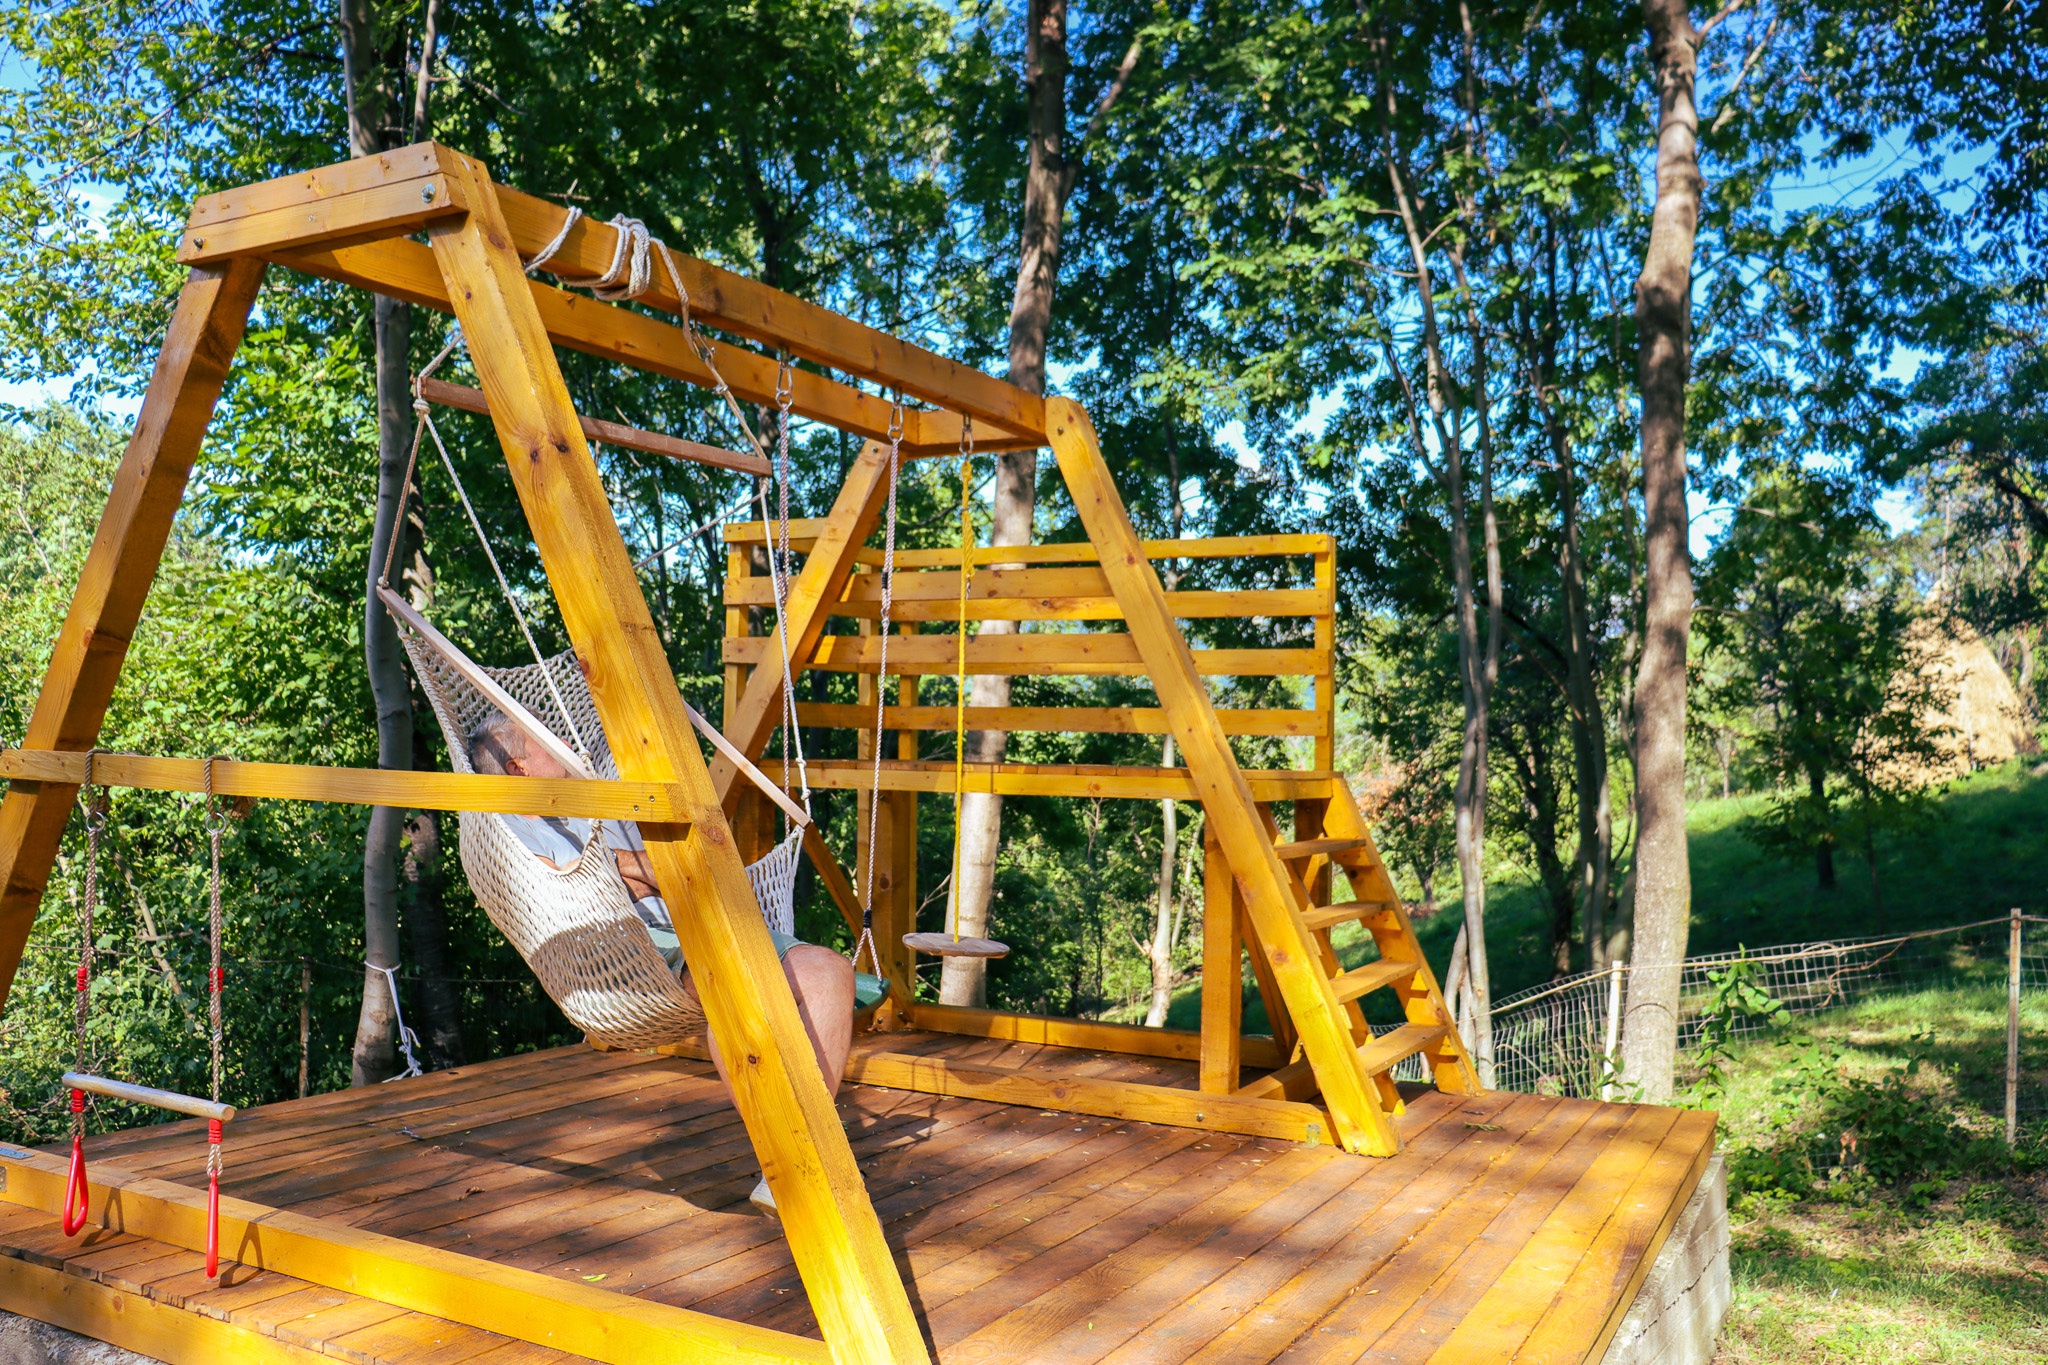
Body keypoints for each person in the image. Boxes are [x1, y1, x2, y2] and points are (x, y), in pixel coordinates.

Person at [469, 712, 854, 1217]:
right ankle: (792, 1163)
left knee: (829, 970)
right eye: (548, 740)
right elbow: (577, 880)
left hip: (697, 927)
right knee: (732, 988)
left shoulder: (602, 798)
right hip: (628, 951)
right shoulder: (508, 827)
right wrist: (634, 869)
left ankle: (806, 1150)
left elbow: (679, 869)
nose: (566, 740)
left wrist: (638, 869)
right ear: (518, 768)